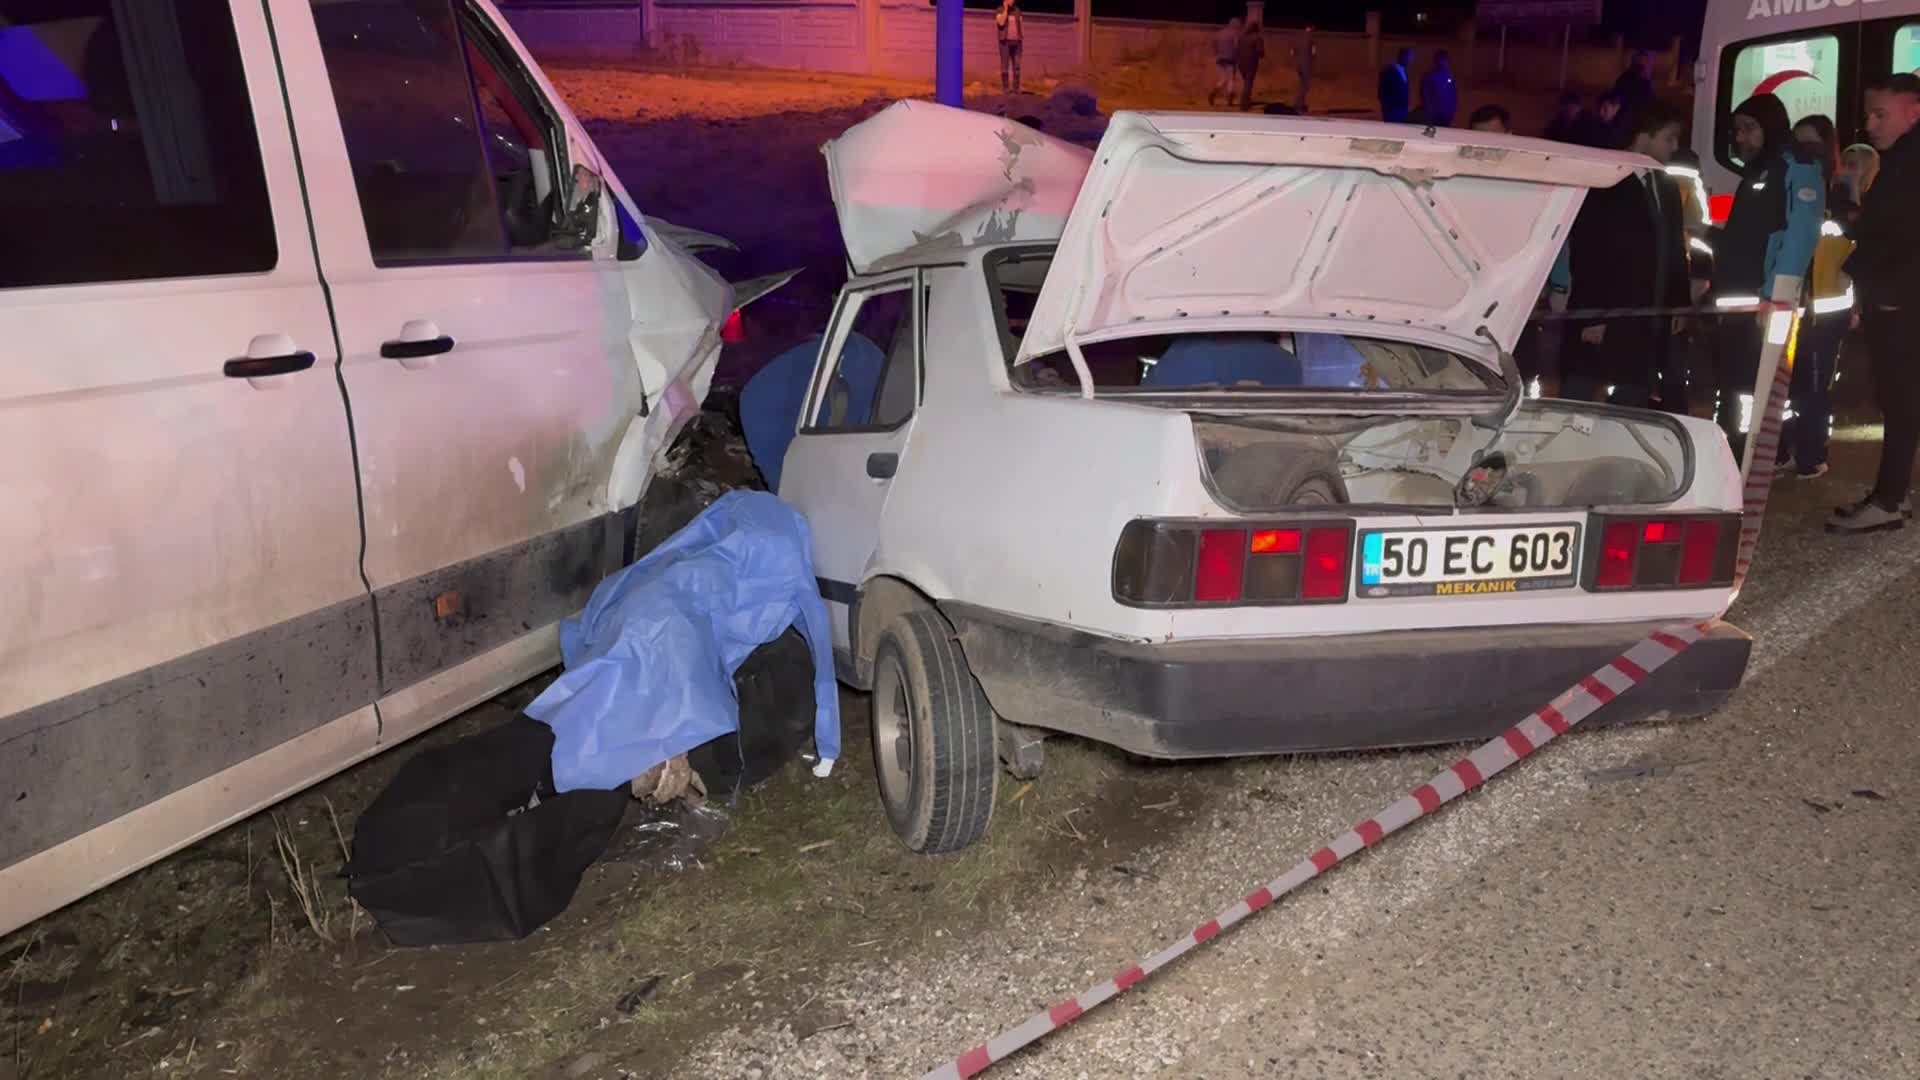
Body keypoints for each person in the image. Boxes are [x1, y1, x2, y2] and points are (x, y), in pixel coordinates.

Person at [1708, 92, 1824, 462]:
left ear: (1770, 126)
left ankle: (1764, 453)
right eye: (1737, 130)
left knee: (1760, 383)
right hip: (1738, 299)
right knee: (1736, 380)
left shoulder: (1795, 166)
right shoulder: (1758, 170)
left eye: (1749, 128)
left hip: (1766, 300)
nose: (1740, 137)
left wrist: (1778, 295)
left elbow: (1801, 235)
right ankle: (1737, 449)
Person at [1830, 74, 1920, 533]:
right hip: (1901, 294)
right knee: (1902, 399)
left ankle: (1888, 501)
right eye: (1868, 113)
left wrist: (1852, 223)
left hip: (1898, 298)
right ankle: (1892, 495)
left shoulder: (1906, 164)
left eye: (1880, 113)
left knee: (1900, 399)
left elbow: (1892, 233)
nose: (1869, 123)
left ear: (1913, 112)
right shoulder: (1902, 160)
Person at [1560, 101, 1693, 409]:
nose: (1675, 147)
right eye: (1669, 138)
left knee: (1633, 397)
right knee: (1580, 393)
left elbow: (1674, 248)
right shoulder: (1606, 182)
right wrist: (1592, 314)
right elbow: (1588, 251)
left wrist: (1678, 303)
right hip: (1608, 314)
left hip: (1649, 317)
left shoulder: (1666, 186)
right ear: (1643, 136)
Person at [1779, 114, 1848, 479]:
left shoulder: (1840, 193)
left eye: (1812, 144)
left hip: (1826, 308)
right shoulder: (1791, 182)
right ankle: (1783, 449)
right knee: (1787, 384)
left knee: (1816, 388)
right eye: (1798, 143)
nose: (1805, 151)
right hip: (1794, 302)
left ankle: (1810, 454)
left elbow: (1851, 252)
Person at [1235, 13, 1266, 111]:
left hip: (1241, 63)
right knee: (1248, 84)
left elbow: (1237, 49)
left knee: (1246, 83)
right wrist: (1262, 54)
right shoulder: (1257, 37)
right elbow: (1260, 51)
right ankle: (1244, 104)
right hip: (1251, 63)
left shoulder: (1242, 37)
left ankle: (1246, 100)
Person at [1210, 16, 1243, 107]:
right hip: (1230, 60)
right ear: (1235, 24)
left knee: (1223, 79)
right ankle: (1229, 100)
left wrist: (1217, 54)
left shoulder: (1219, 33)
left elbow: (1214, 46)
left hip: (1220, 59)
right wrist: (1237, 57)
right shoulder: (1234, 34)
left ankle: (1214, 92)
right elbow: (1236, 47)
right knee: (1230, 80)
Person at [1613, 49, 1657, 118]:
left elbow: (1651, 98)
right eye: (1644, 61)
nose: (1647, 65)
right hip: (1630, 113)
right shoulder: (1628, 78)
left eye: (1646, 61)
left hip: (1636, 113)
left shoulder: (1644, 79)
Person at [1420, 50, 1457, 127]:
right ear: (1436, 61)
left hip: (1446, 113)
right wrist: (1429, 110)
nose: (1444, 63)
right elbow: (1425, 94)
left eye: (1445, 60)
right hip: (1434, 114)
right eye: (1441, 60)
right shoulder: (1430, 76)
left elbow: (1453, 94)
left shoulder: (1449, 76)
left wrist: (1452, 109)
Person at [995, 0, 1023, 95]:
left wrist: (1020, 38)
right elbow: (1001, 23)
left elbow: (1021, 25)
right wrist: (1006, 9)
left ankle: (1016, 89)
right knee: (1004, 66)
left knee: (1017, 66)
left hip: (1017, 42)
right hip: (1005, 42)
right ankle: (1006, 89)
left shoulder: (1017, 11)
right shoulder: (1000, 10)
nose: (1012, 1)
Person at [1378, 47, 1412, 123]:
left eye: (1411, 57)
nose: (1410, 59)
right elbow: (1383, 90)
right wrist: (1387, 107)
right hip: (1392, 110)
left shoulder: (1404, 72)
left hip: (1402, 109)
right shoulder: (1389, 71)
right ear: (1402, 56)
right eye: (1408, 56)